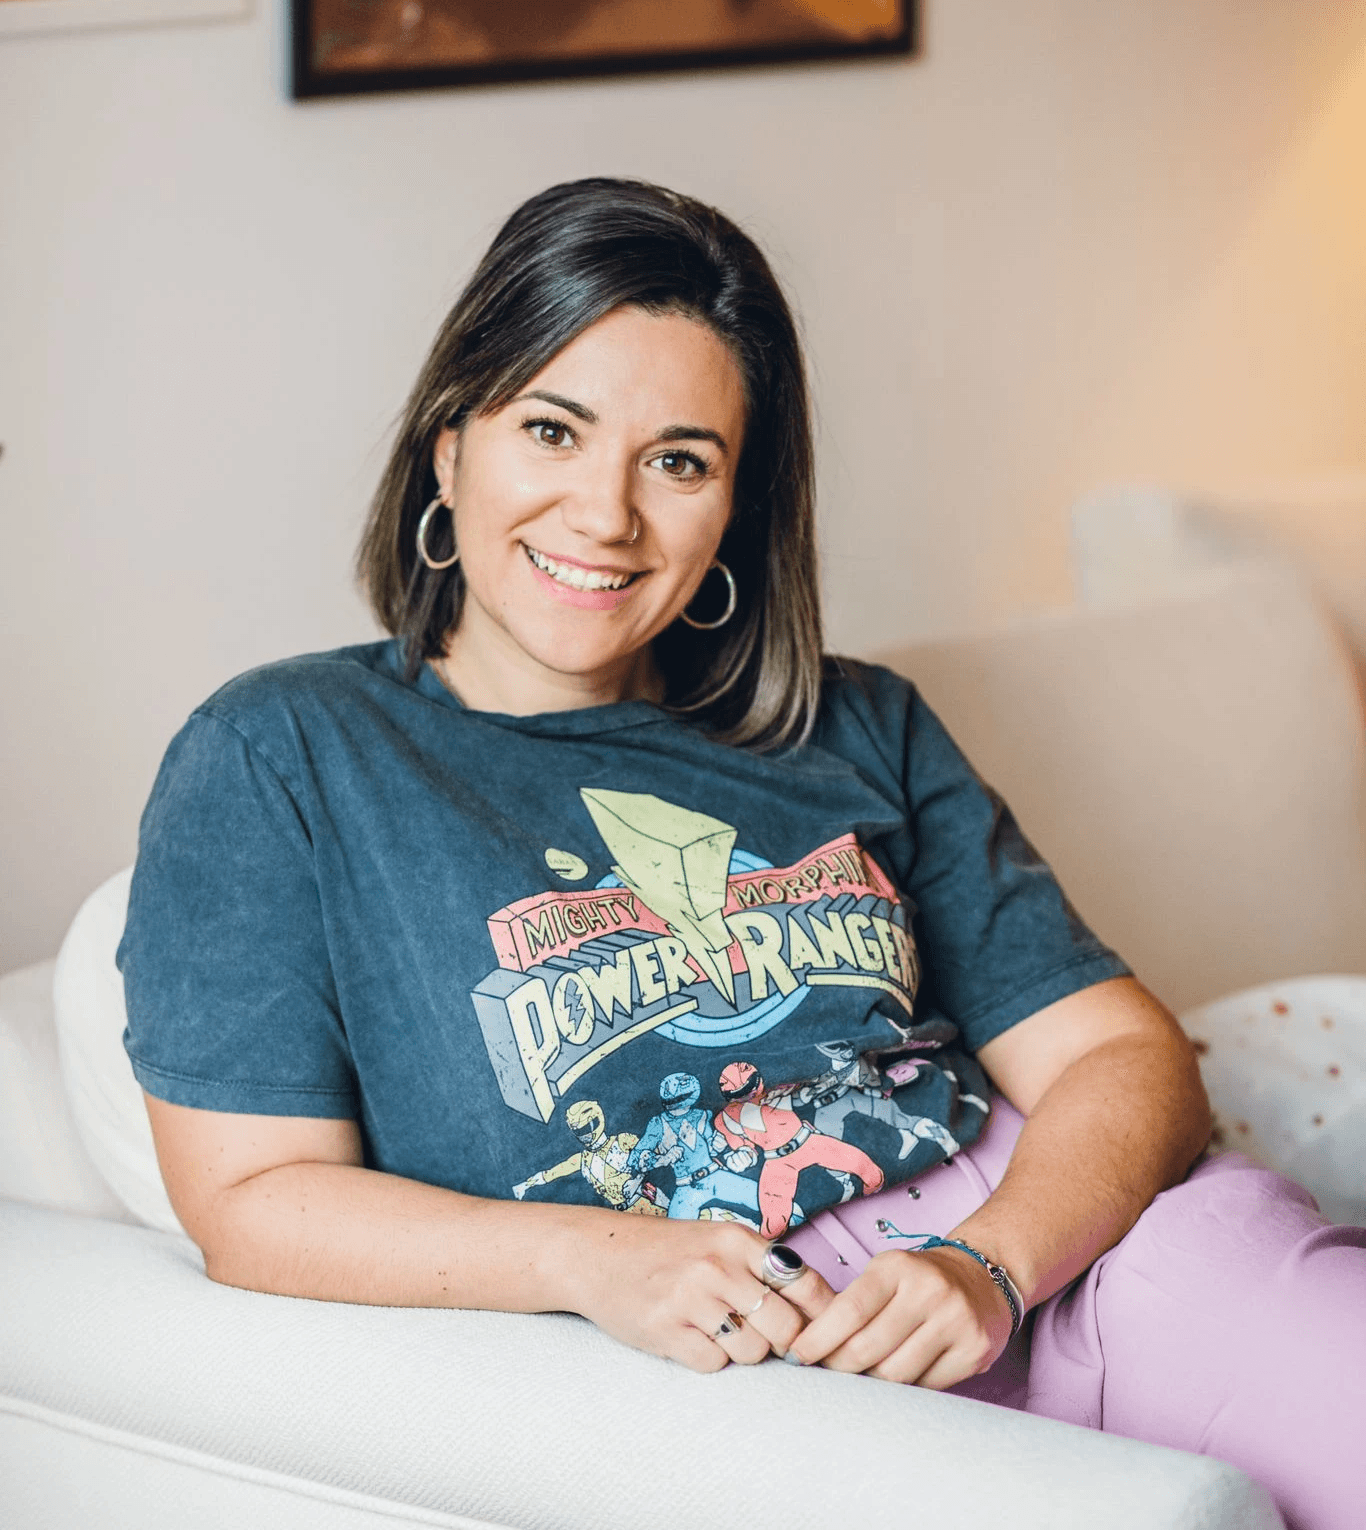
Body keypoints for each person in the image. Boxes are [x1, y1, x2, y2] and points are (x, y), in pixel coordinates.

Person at [118, 178, 1363, 1530]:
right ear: (449, 447)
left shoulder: (852, 721)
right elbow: (252, 1201)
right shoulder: (283, 753)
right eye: (552, 429)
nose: (605, 515)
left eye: (678, 461)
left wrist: (992, 1264)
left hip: (1082, 1263)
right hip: (744, 1380)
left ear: (733, 507)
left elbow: (1118, 1054)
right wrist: (593, 1262)